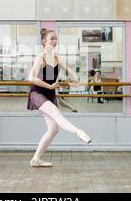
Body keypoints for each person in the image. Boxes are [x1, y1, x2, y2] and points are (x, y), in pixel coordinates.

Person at [27, 28, 91, 167]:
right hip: (38, 93)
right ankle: (78, 132)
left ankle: (36, 159)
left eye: (56, 39)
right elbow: (31, 78)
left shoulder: (56, 57)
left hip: (50, 94)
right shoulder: (40, 57)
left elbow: (70, 75)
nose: (55, 41)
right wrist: (50, 86)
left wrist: (72, 78)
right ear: (44, 41)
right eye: (52, 39)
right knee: (56, 113)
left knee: (54, 129)